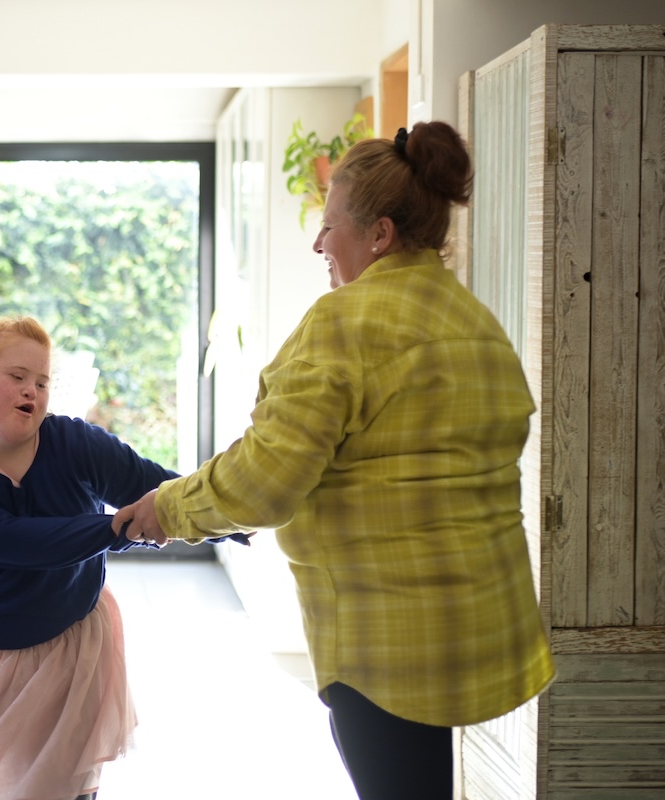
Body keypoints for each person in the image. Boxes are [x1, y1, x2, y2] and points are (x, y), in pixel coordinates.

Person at [112, 121, 555, 800]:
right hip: (482, 625)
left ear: (378, 234)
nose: (318, 242)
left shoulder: (344, 321)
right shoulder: (473, 319)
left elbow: (266, 482)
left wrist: (169, 507)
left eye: (330, 225)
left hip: (390, 644)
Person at [0, 316, 244, 800]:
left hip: (70, 646)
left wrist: (236, 512)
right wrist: (116, 529)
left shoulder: (72, 441)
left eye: (43, 381)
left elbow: (157, 488)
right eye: (18, 377)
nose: (33, 390)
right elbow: (12, 542)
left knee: (67, 789)